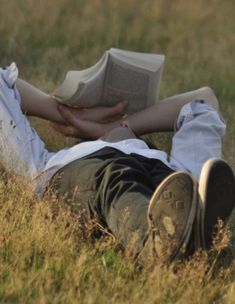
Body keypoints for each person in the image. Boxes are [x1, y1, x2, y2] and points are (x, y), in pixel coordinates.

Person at [0, 63, 234, 264]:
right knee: (116, 181)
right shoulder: (44, 165)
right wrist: (65, 114)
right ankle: (161, 243)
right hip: (91, 173)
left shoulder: (168, 169)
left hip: (167, 179)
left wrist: (114, 127)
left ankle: (194, 224)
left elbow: (203, 99)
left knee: (194, 187)